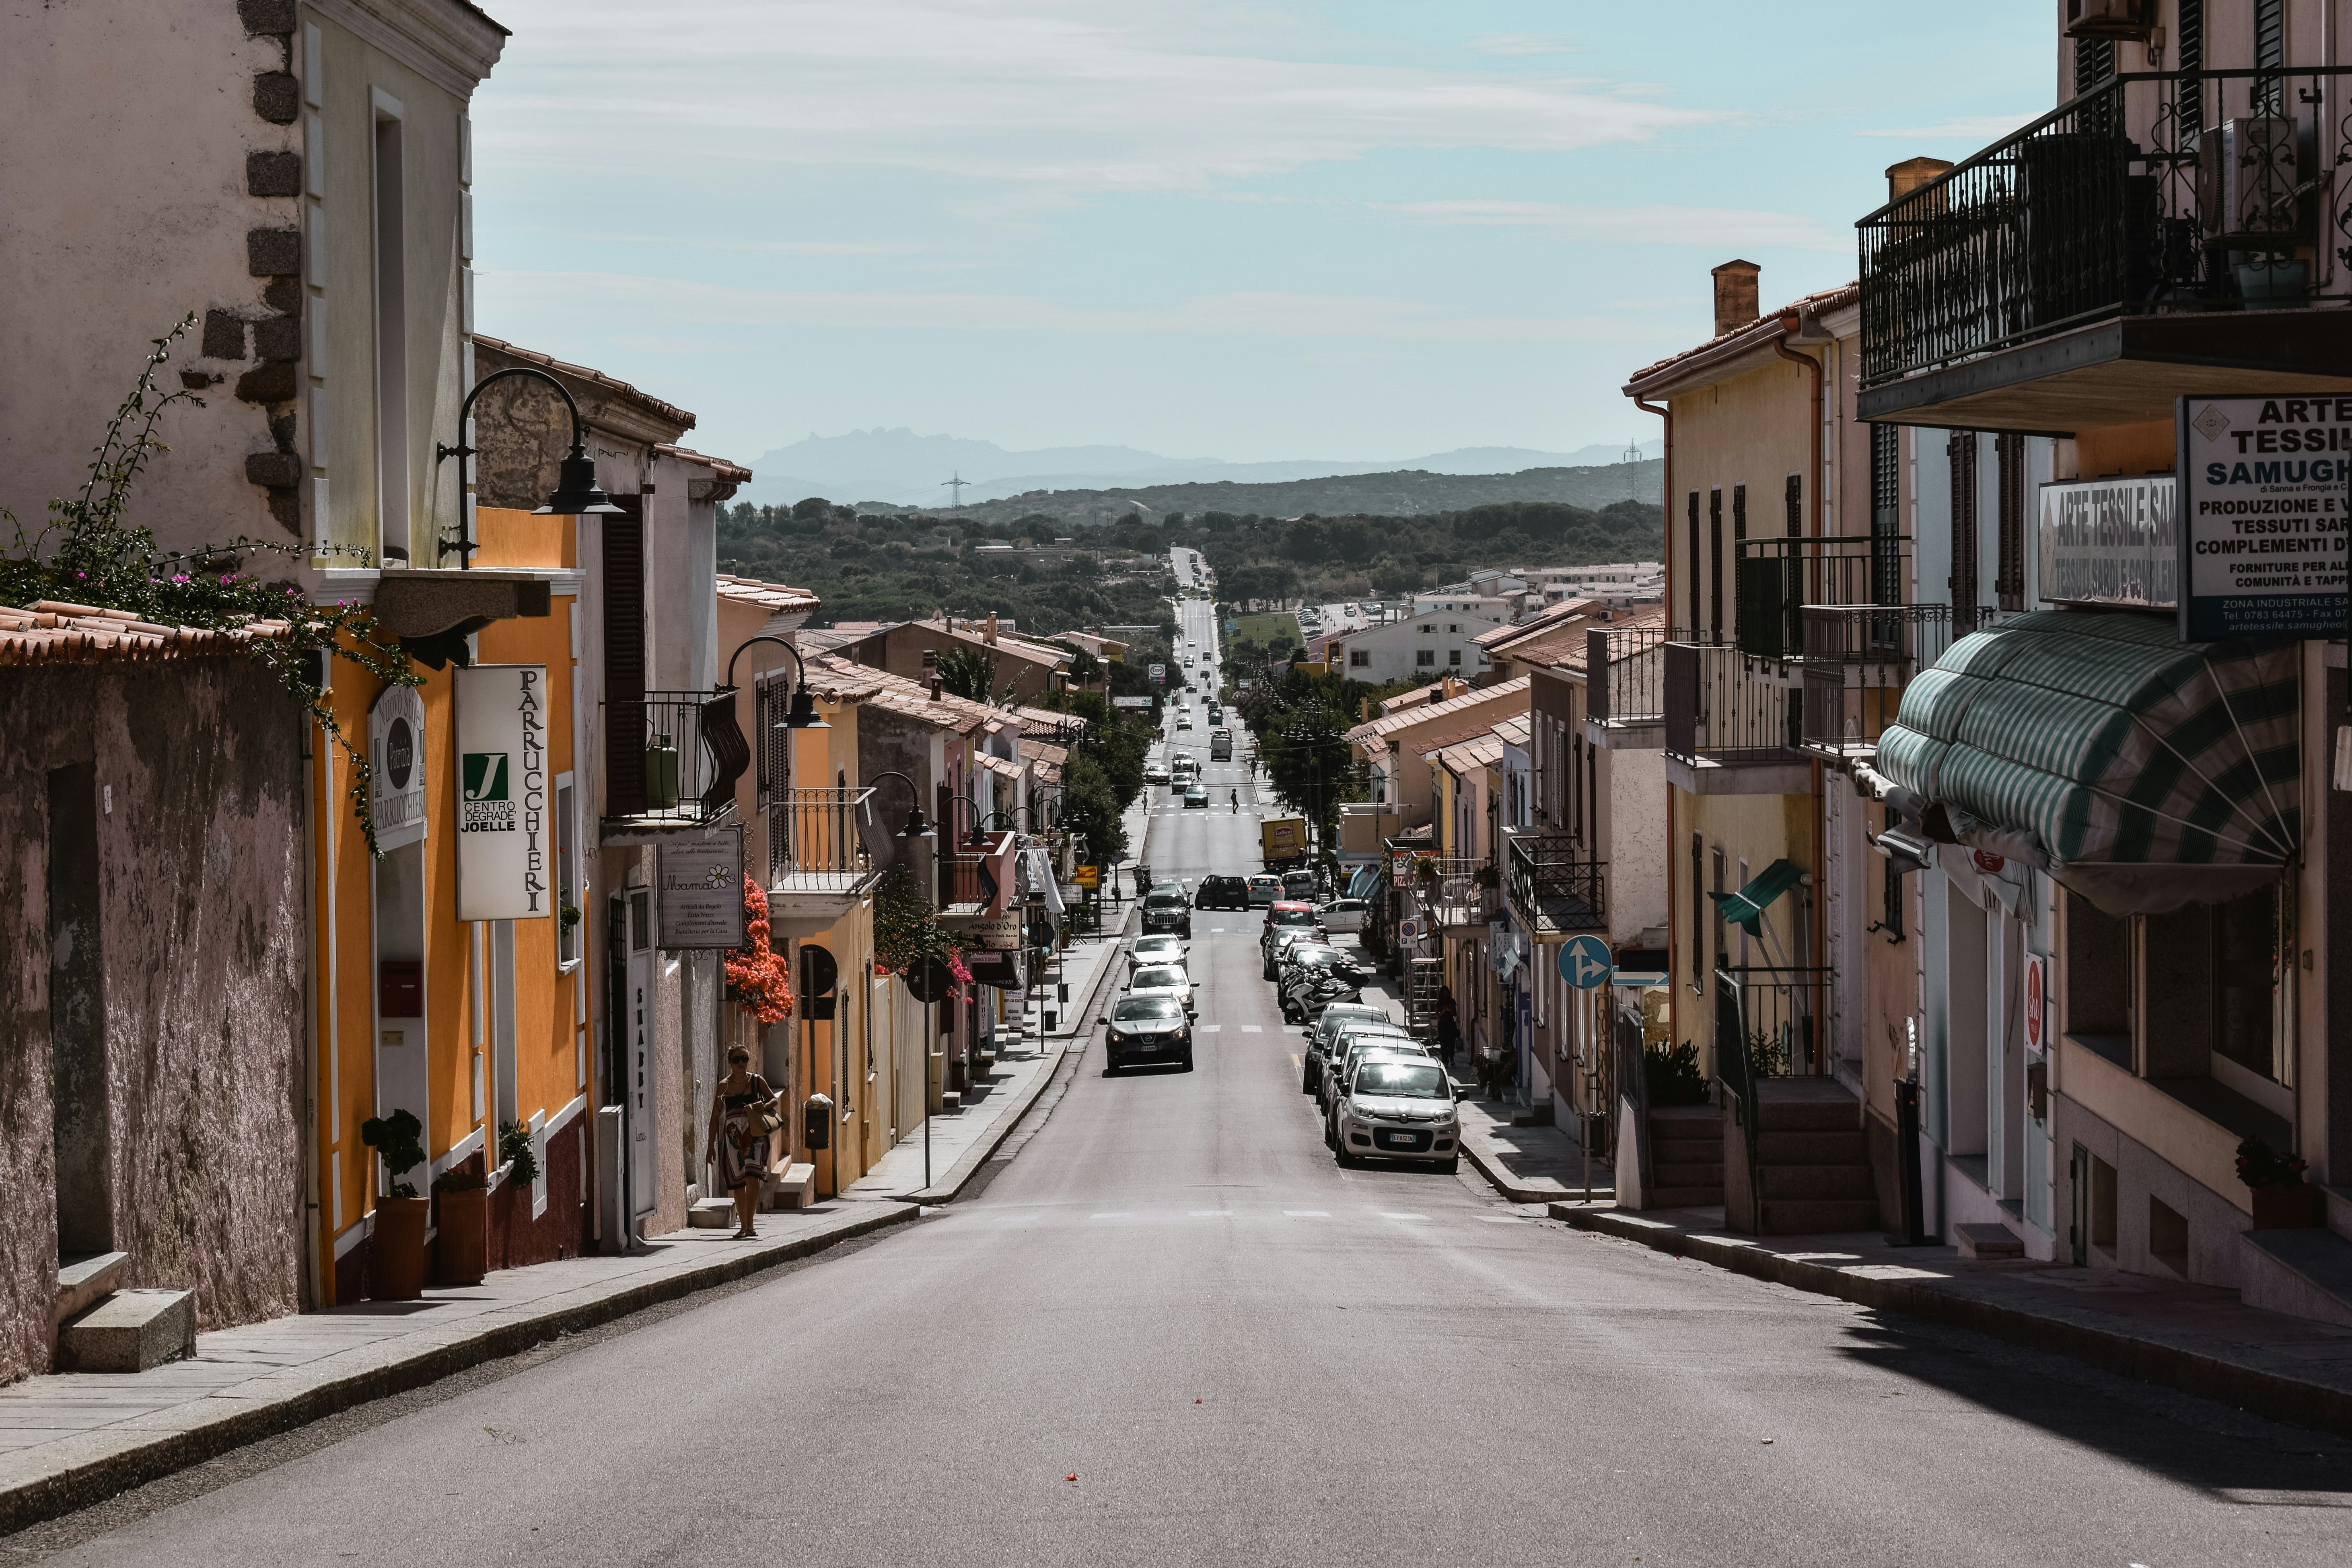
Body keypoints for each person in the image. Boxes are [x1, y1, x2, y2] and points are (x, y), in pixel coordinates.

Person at [704, 1045, 778, 1240]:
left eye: (744, 1059)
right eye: (736, 1060)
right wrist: (710, 1146)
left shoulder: (756, 1081)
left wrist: (765, 1105)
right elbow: (715, 1118)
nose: (741, 1063)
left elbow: (774, 1100)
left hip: (755, 1134)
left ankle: (750, 1225)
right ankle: (744, 1226)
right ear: (730, 1063)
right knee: (737, 1183)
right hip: (732, 1138)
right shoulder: (724, 1086)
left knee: (752, 1177)